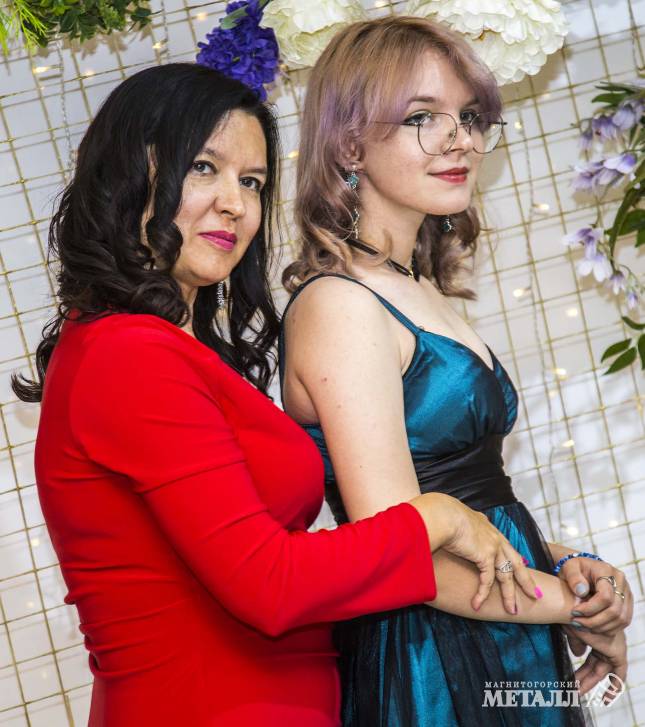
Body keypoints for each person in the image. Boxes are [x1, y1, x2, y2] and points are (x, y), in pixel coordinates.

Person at [12, 63, 541, 727]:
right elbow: (271, 584)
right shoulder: (128, 355)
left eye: (252, 182)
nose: (235, 204)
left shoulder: (161, 349)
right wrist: (439, 516)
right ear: (128, 174)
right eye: (203, 168)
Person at [280, 17, 633, 726]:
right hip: (430, 651)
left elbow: (474, 503)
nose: (461, 140)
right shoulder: (341, 304)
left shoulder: (413, 285)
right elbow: (397, 548)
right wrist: (570, 607)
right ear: (348, 143)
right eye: (422, 117)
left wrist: (568, 565)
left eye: (469, 117)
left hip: (496, 615)